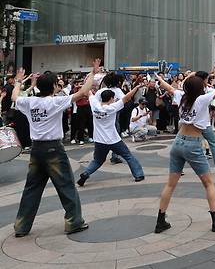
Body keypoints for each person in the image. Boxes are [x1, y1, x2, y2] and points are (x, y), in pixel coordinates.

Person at [13, 59, 101, 237]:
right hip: (53, 149)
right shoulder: (55, 102)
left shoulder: (29, 102)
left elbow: (15, 97)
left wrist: (18, 81)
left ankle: (21, 226)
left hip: (36, 150)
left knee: (32, 188)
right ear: (54, 86)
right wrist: (93, 73)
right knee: (66, 185)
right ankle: (74, 222)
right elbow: (84, 92)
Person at [154, 71, 215, 234]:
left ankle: (160, 221)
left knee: (170, 184)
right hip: (193, 145)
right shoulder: (202, 99)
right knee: (208, 183)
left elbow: (167, 87)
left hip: (178, 141)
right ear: (200, 87)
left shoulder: (181, 96)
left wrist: (159, 78)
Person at [77, 83, 145, 186]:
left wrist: (86, 83)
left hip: (99, 140)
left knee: (98, 160)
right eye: (114, 98)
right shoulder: (112, 107)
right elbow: (127, 98)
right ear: (111, 98)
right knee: (128, 156)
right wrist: (136, 87)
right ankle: (138, 175)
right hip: (113, 139)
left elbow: (89, 93)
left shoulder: (95, 105)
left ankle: (86, 173)